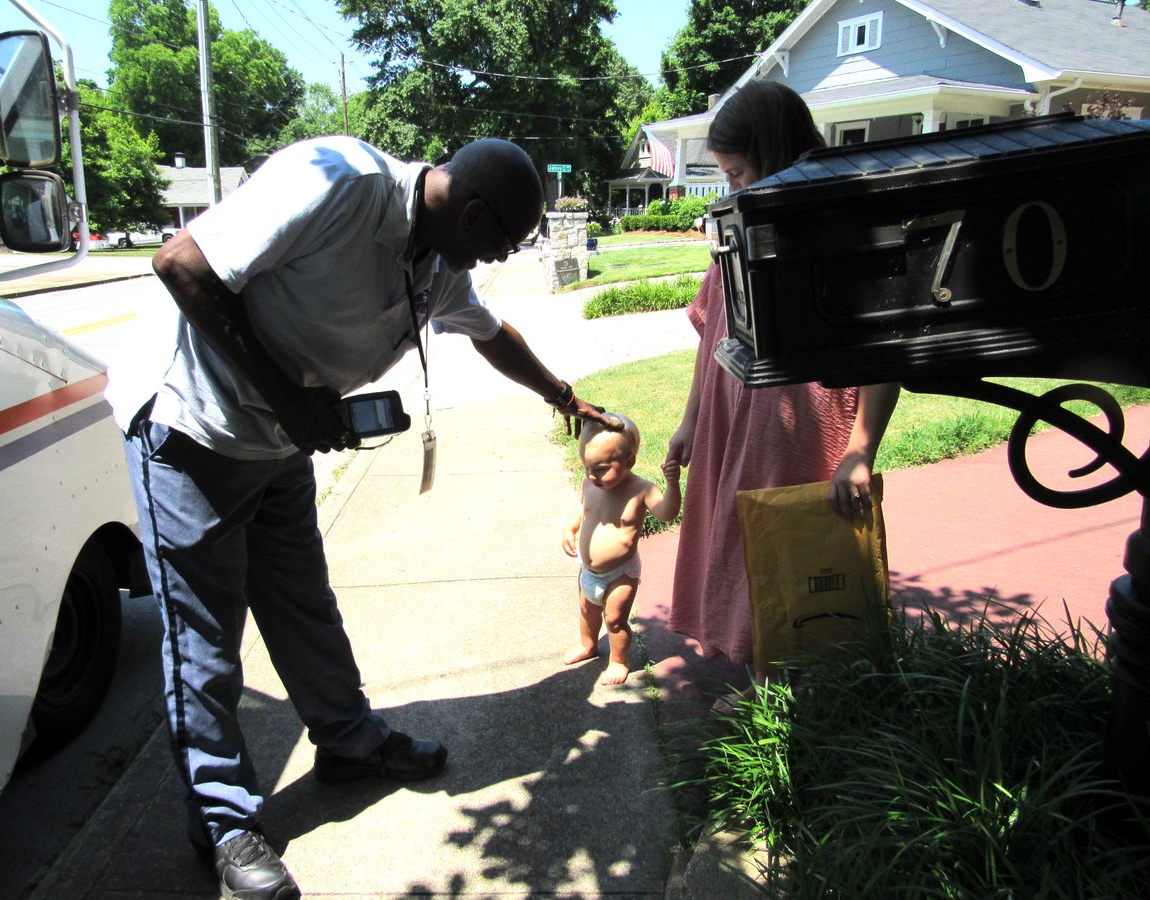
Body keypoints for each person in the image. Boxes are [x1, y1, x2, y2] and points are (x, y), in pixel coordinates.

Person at [105, 135, 617, 900]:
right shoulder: (337, 182)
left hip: (278, 440)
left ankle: (348, 743)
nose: (496, 260)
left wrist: (563, 396)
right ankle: (222, 819)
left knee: (304, 606)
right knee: (205, 642)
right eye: (499, 244)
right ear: (470, 212)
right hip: (192, 427)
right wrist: (288, 398)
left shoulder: (437, 261)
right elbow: (181, 262)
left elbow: (490, 336)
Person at [665, 82, 899, 698]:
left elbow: (883, 348)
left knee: (790, 551)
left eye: (739, 172)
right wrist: (691, 420)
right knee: (741, 546)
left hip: (797, 423)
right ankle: (768, 688)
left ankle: (794, 705)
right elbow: (711, 334)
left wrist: (861, 448)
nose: (734, 188)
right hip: (728, 418)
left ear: (773, 152)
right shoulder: (737, 230)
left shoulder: (837, 230)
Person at [562, 413, 681, 685]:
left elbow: (667, 513)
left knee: (614, 620)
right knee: (586, 610)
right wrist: (569, 528)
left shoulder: (641, 490)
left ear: (629, 462)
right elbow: (581, 505)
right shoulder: (590, 483)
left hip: (621, 573)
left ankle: (618, 660)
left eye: (602, 468)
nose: (592, 476)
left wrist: (672, 485)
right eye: (587, 468)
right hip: (587, 569)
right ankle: (588, 645)